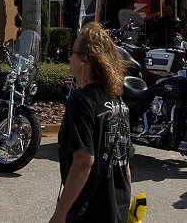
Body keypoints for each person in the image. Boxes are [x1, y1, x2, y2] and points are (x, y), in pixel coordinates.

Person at [52, 23, 131, 222]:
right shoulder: (118, 101)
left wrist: (60, 214)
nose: (69, 58)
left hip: (90, 212)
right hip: (118, 209)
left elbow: (84, 160)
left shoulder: (81, 101)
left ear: (84, 59)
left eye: (72, 52)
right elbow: (126, 165)